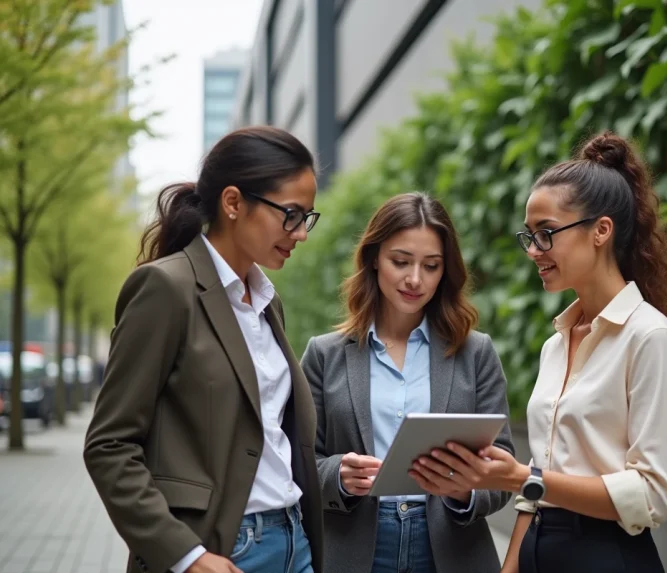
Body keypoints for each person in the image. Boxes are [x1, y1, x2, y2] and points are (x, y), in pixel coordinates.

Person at [425, 132, 667, 573]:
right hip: (538, 550)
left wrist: (520, 478)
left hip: (606, 556)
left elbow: (651, 496)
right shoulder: (556, 343)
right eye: (528, 236)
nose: (533, 251)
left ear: (601, 231)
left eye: (546, 234)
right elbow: (539, 480)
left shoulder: (651, 339)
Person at [83, 126, 324, 573]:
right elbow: (110, 444)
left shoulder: (267, 302)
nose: (300, 233)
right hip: (224, 550)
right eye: (290, 214)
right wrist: (185, 556)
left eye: (307, 217)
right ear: (233, 203)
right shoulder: (166, 288)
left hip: (295, 543)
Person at [300, 192, 515, 573]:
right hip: (353, 548)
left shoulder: (476, 353)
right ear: (373, 259)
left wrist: (465, 491)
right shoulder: (324, 354)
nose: (415, 279)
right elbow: (297, 462)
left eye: (431, 266)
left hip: (452, 547)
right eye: (400, 261)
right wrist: (340, 476)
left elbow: (503, 466)